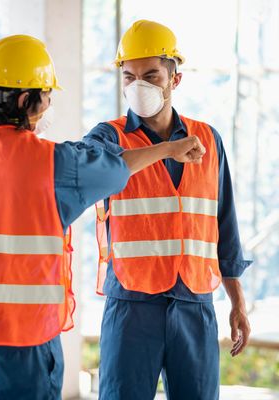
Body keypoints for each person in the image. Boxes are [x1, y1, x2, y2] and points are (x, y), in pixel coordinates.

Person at [0, 34, 205, 400]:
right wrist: (169, 149)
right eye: (47, 97)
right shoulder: (56, 164)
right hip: (25, 349)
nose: (48, 106)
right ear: (27, 100)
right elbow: (117, 166)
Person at [83, 19, 252, 400]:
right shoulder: (107, 136)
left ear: (174, 79)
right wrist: (168, 150)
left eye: (150, 75)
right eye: (128, 76)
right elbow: (90, 168)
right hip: (132, 304)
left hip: (194, 301)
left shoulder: (207, 139)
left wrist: (238, 303)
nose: (137, 85)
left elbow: (225, 227)